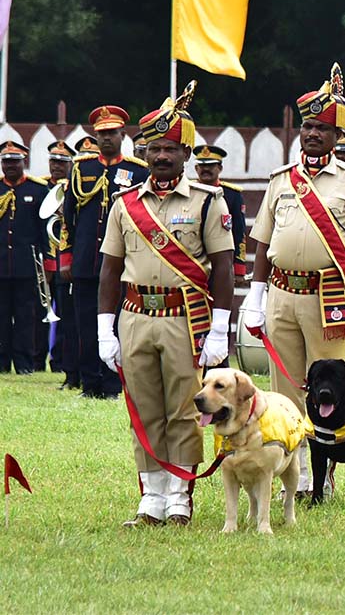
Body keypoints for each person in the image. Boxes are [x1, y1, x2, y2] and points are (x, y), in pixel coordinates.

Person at [96, 82, 235, 526]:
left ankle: (180, 495)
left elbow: (224, 268)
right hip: (135, 316)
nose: (161, 157)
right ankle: (151, 497)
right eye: (154, 148)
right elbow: (109, 269)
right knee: (144, 406)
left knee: (183, 408)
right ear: (145, 151)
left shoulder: (208, 201)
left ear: (185, 153)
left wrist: (219, 329)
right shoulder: (125, 204)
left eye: (171, 149)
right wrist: (104, 327)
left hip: (183, 317)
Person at [240, 64, 345, 494]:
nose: (313, 134)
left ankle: (327, 473)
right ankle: (293, 472)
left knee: (329, 387)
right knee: (285, 389)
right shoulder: (282, 180)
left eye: (322, 128)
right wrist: (255, 295)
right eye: (307, 126)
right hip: (283, 291)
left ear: (339, 137)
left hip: (330, 296)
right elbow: (263, 241)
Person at [61, 105, 149, 399]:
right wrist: (67, 257)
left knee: (120, 324)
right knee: (86, 325)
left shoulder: (138, 171)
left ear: (123, 134)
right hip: (87, 261)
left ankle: (113, 385)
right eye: (101, 134)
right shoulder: (81, 169)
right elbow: (68, 218)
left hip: (123, 264)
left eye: (112, 133)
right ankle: (89, 383)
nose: (106, 138)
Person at [0, 141, 49, 374]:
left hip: (27, 267)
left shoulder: (38, 190)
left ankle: (24, 364)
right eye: (5, 161)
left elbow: (45, 232)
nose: (9, 166)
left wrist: (48, 261)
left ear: (24, 162)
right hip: (0, 266)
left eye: (14, 161)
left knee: (25, 320)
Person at [192, 145, 248, 283]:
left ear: (220, 168)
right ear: (196, 169)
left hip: (221, 263)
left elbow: (239, 232)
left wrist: (239, 268)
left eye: (211, 166)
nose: (206, 169)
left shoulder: (232, 195)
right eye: (202, 165)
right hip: (192, 264)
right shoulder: (187, 191)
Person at [44, 140, 74, 383]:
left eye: (62, 162)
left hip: (68, 259)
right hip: (49, 258)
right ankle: (53, 360)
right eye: (53, 161)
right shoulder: (42, 187)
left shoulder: (75, 188)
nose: (57, 166)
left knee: (70, 317)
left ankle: (66, 361)